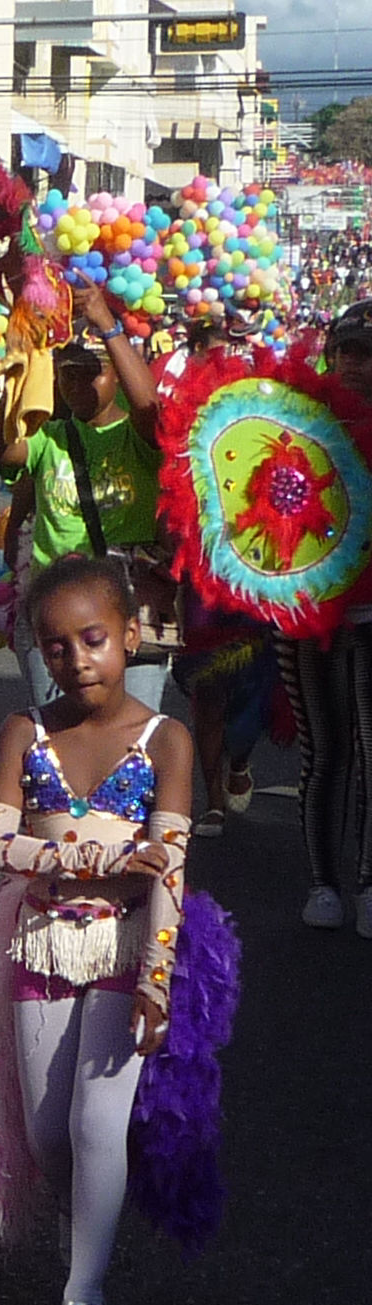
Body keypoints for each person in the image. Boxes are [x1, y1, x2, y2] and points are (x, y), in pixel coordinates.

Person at [0, 555, 234, 1305]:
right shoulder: (23, 731)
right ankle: (91, 1243)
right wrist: (93, 862)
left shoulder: (165, 738)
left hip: (122, 949)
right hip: (42, 946)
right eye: (56, 645)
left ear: (133, 637)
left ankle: (83, 1296)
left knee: (96, 1122)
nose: (76, 659)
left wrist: (157, 977)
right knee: (46, 1135)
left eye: (94, 639)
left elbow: (169, 868)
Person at [0, 283, 171, 709]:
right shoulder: (50, 437)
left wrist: (108, 325)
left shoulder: (136, 437)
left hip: (128, 610)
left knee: (132, 740)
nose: (75, 385)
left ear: (117, 375)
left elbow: (150, 410)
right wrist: (17, 372)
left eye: (90, 373)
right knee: (56, 739)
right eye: (66, 374)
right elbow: (3, 450)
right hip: (55, 608)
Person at [278, 300, 372, 929]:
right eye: (348, 352)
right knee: (325, 752)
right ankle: (324, 885)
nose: (357, 365)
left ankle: (367, 882)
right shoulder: (294, 422)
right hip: (304, 612)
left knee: (371, 748)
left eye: (369, 354)